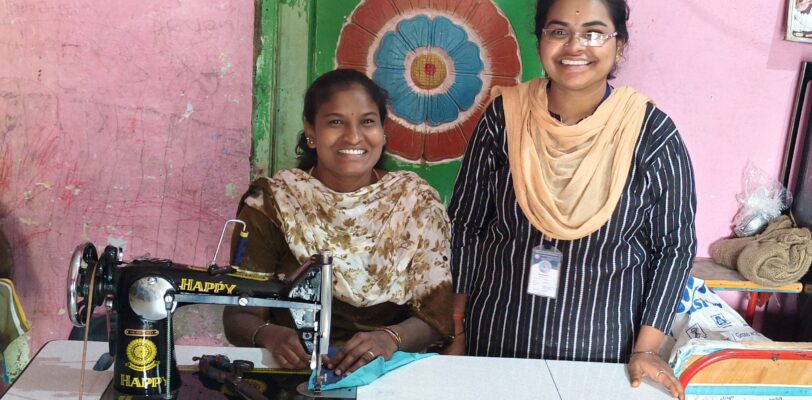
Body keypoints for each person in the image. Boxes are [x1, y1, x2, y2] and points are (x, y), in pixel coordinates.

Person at [446, 0, 695, 399]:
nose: (575, 46)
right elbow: (466, 224)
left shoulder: (650, 133)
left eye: (594, 33)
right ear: (541, 41)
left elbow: (675, 247)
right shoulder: (504, 117)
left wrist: (647, 350)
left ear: (620, 45)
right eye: (559, 31)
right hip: (497, 342)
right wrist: (456, 329)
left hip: (601, 354)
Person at [223, 69, 453, 377]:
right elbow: (239, 313)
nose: (354, 137)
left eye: (367, 122)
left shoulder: (416, 203)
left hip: (391, 374)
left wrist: (389, 339)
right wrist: (271, 336)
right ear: (311, 132)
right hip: (294, 374)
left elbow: (436, 318)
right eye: (335, 122)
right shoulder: (274, 204)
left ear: (383, 132)